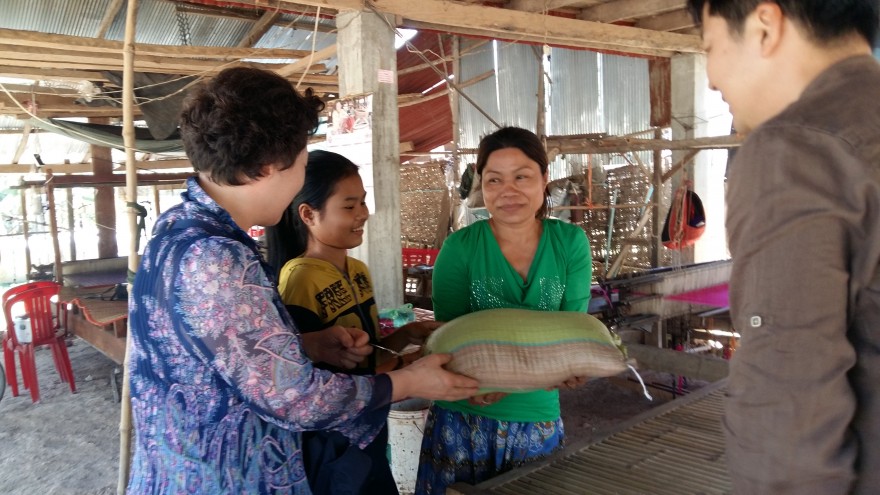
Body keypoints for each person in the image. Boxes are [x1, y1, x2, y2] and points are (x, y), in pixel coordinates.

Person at [126, 67, 479, 495]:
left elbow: (214, 353)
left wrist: (304, 346)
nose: (300, 178)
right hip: (223, 478)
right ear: (272, 165)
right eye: (302, 162)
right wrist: (410, 380)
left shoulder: (178, 228)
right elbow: (295, 400)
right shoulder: (216, 259)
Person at [686, 1, 880, 493]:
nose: (710, 78)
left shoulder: (795, 151)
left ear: (765, 26)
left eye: (710, 47)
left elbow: (787, 409)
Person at [414, 126, 593, 494]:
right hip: (465, 416)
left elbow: (573, 330)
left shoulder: (570, 243)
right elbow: (447, 340)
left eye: (522, 177)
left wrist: (577, 366)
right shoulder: (460, 248)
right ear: (483, 184)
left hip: (537, 418)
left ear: (544, 178)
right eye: (494, 180)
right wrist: (476, 389)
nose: (508, 191)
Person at [265, 149, 442, 494]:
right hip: (334, 442)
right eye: (349, 206)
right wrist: (408, 371)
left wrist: (408, 334)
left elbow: (366, 353)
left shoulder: (358, 271)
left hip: (371, 426)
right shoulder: (299, 279)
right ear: (308, 214)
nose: (363, 214)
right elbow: (307, 376)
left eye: (362, 202)